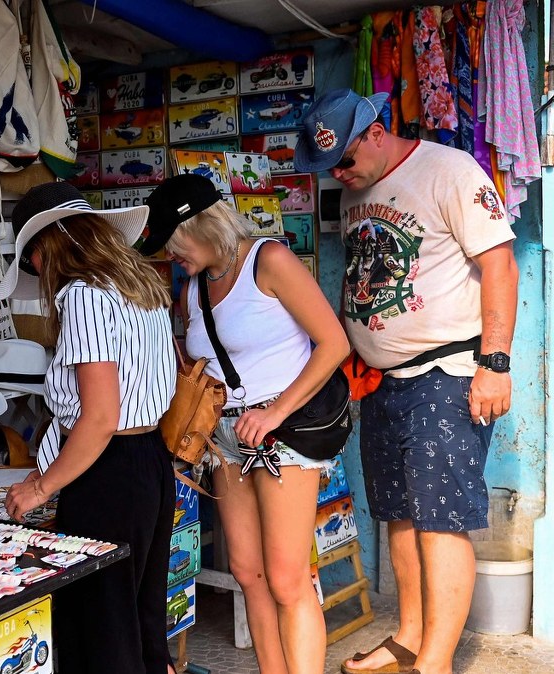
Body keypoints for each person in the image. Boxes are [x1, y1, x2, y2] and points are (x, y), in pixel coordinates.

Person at [295, 89, 518, 674]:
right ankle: (410, 638)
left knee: (440, 518)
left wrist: (495, 364)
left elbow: (500, 264)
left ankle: (434, 663)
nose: (339, 175)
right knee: (398, 513)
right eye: (330, 167)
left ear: (375, 131)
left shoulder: (449, 170)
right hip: (383, 381)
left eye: (345, 160)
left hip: (447, 372)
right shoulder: (356, 190)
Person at [140, 173, 350, 674]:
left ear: (199, 226)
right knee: (247, 572)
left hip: (281, 432)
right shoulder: (192, 288)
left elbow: (334, 344)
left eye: (173, 241)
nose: (170, 254)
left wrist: (275, 411)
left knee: (287, 578)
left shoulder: (268, 260)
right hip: (225, 438)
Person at [0, 181, 177, 674]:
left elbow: (99, 418)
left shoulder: (83, 295)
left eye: (32, 258)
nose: (36, 271)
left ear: (46, 247)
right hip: (148, 458)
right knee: (141, 621)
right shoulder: (140, 288)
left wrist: (41, 488)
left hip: (108, 471)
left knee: (103, 629)